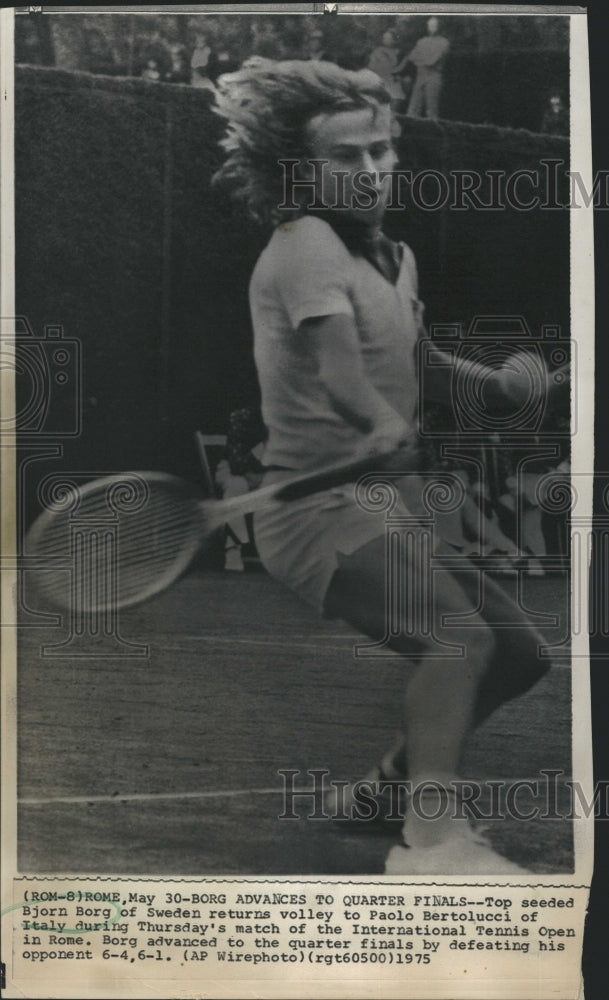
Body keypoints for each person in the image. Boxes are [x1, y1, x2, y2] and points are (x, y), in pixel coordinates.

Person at [213, 59, 565, 874]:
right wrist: (375, 420)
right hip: (315, 515)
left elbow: (418, 359)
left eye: (379, 150)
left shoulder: (391, 257)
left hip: (381, 506)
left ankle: (381, 793)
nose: (370, 170)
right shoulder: (301, 245)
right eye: (346, 157)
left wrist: (513, 389)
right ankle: (432, 840)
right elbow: (340, 370)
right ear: (298, 171)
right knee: (455, 638)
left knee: (517, 655)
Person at [406, 16, 450, 119]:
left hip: (434, 77)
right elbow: (412, 57)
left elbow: (432, 62)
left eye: (434, 25)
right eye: (430, 25)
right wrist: (424, 60)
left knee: (431, 110)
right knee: (413, 109)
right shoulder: (421, 41)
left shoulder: (444, 42)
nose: (432, 27)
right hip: (420, 76)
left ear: (439, 26)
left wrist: (421, 59)